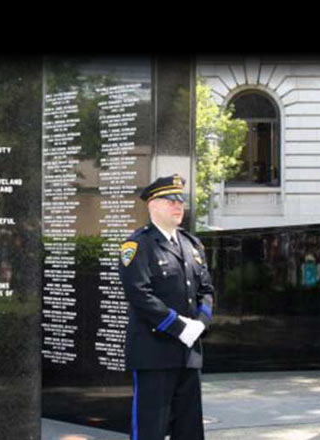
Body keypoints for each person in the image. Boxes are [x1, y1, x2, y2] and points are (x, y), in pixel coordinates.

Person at [119, 174, 215, 440]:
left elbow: (206, 291)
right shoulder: (138, 244)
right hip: (153, 353)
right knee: (151, 428)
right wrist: (178, 325)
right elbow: (139, 294)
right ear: (153, 205)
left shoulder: (192, 244)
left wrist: (200, 324)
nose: (178, 206)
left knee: (190, 429)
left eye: (180, 201)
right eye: (171, 200)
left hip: (188, 353)